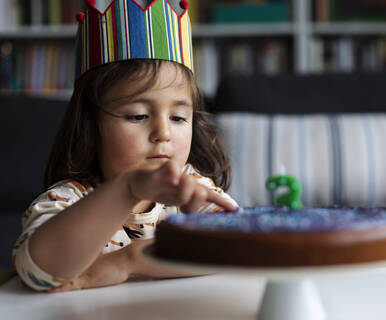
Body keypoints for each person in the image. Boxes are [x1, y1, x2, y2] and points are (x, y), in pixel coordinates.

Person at [12, 0, 237, 292]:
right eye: (138, 116)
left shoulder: (192, 191)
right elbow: (38, 273)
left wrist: (127, 261)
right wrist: (127, 188)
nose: (163, 133)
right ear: (91, 126)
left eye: (179, 117)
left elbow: (239, 250)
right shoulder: (68, 201)